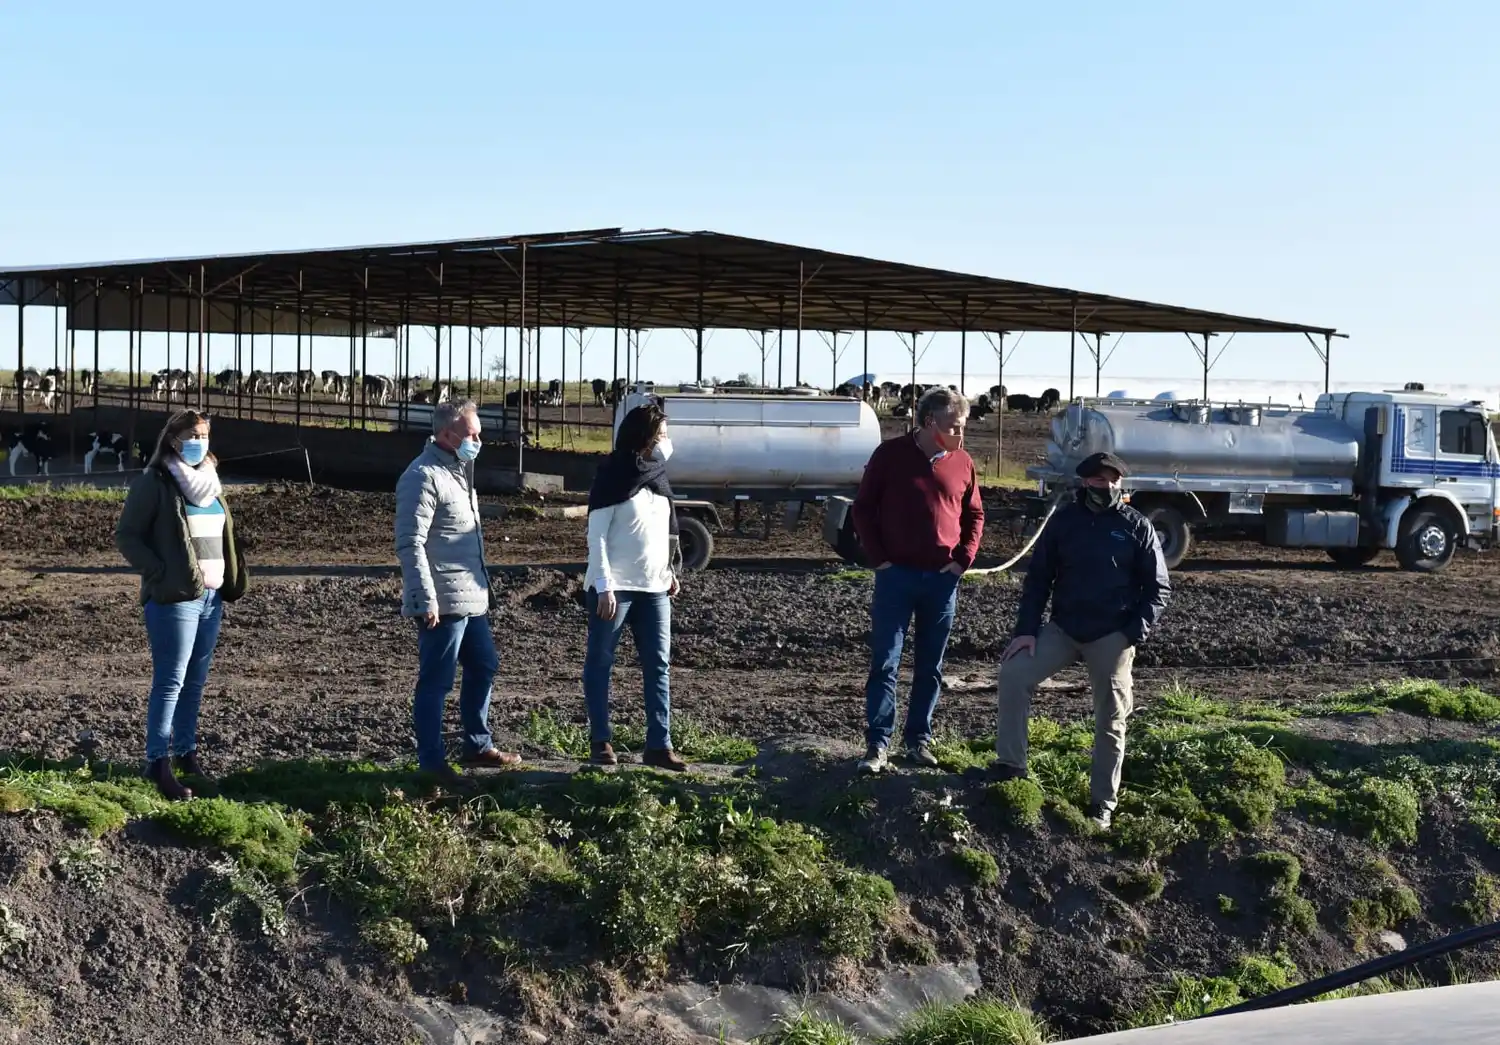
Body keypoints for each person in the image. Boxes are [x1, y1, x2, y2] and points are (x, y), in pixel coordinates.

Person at [993, 451, 1172, 829]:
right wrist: (1026, 631)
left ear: (1121, 483)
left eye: (1112, 480)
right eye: (1098, 480)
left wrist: (1131, 634)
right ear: (1085, 482)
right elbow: (1038, 579)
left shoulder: (1136, 526)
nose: (1105, 486)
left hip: (1112, 634)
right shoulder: (1064, 522)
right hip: (1063, 629)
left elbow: (1158, 589)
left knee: (1112, 718)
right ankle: (1011, 767)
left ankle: (1102, 803)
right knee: (1013, 674)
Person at [115, 409, 248, 800]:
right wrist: (159, 571)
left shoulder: (211, 482)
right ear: (173, 441)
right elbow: (127, 535)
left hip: (211, 597)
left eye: (204, 435)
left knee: (195, 682)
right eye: (192, 436)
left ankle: (186, 753)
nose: (199, 443)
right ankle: (158, 762)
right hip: (175, 598)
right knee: (170, 682)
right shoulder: (155, 482)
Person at [851, 386, 984, 774]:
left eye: (963, 426)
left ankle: (918, 741)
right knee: (885, 663)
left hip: (942, 581)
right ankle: (878, 744)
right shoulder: (890, 456)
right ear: (929, 423)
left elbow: (974, 514)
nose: (961, 433)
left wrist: (963, 559)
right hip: (896, 578)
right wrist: (879, 559)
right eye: (955, 426)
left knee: (930, 666)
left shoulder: (963, 462)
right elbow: (863, 509)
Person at [395, 399, 520, 782]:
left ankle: (477, 745)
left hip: (471, 597)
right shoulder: (422, 476)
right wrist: (423, 597)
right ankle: (432, 763)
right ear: (447, 434)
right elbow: (410, 542)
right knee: (437, 681)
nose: (478, 441)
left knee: (484, 664)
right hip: (443, 601)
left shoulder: (459, 471)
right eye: (471, 435)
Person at [582, 403, 686, 770]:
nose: (666, 442)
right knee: (601, 662)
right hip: (615, 589)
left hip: (655, 587)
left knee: (658, 665)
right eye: (661, 435)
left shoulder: (659, 477)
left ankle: (659, 745)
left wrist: (670, 570)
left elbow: (664, 531)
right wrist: (603, 585)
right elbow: (596, 536)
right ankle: (600, 741)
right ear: (643, 438)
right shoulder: (612, 476)